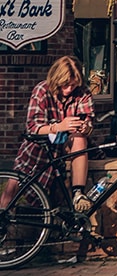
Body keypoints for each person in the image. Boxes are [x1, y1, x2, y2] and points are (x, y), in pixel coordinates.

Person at [0, 56, 94, 212]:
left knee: (80, 138)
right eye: (66, 85)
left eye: (73, 85)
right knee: (14, 184)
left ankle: (78, 193)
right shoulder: (42, 90)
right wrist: (58, 126)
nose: (69, 89)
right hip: (40, 145)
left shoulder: (83, 92)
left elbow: (90, 123)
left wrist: (86, 127)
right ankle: (3, 216)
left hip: (67, 145)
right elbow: (33, 127)